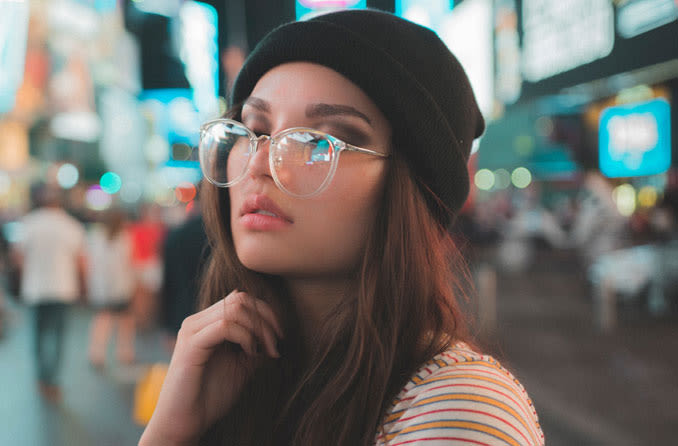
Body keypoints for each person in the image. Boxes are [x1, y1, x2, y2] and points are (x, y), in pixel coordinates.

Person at [140, 9, 544, 446]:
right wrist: (171, 430)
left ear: (409, 187)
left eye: (316, 142)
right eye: (254, 128)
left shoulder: (456, 409)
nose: (259, 164)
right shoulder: (242, 377)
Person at [13, 185, 86, 402]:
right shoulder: (71, 226)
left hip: (35, 288)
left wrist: (26, 273)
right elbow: (80, 261)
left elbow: (17, 256)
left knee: (38, 334)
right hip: (63, 288)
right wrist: (84, 286)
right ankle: (52, 379)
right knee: (58, 335)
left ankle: (41, 378)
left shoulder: (29, 223)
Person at [86, 207, 136, 367]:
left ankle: (96, 353)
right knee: (125, 321)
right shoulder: (125, 238)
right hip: (122, 286)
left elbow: (90, 262)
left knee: (102, 320)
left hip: (100, 287)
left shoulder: (95, 236)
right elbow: (129, 263)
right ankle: (125, 352)